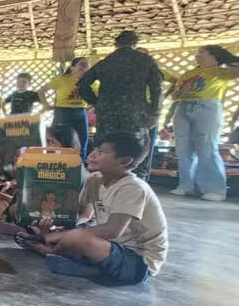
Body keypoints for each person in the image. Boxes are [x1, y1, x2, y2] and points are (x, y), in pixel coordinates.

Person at [15, 131, 167, 286]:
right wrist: (48, 223)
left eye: (101, 152)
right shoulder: (94, 180)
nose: (92, 155)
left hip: (138, 262)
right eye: (95, 149)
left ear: (124, 161)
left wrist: (57, 238)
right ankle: (82, 264)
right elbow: (70, 213)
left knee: (79, 237)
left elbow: (113, 230)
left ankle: (53, 253)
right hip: (110, 248)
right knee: (64, 232)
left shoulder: (133, 188)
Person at [76, 31, 162, 177]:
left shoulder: (106, 62)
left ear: (116, 44)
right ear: (134, 43)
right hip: (135, 111)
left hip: (107, 112)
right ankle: (134, 178)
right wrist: (155, 112)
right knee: (136, 145)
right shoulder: (145, 61)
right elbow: (156, 88)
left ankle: (102, 178)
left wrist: (96, 102)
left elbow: (82, 84)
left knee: (105, 144)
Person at [167, 45, 239, 200]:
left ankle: (214, 189)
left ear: (213, 56)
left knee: (207, 147)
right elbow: (175, 95)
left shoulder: (220, 72)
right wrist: (179, 93)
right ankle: (185, 185)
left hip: (207, 107)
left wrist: (230, 59)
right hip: (183, 107)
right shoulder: (189, 73)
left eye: (202, 52)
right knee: (183, 149)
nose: (197, 55)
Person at [38, 57, 91, 160]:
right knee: (61, 139)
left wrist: (89, 108)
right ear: (72, 68)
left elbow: (98, 97)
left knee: (83, 139)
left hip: (81, 112)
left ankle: (79, 164)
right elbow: (41, 91)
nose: (84, 67)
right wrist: (46, 105)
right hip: (63, 112)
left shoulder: (90, 81)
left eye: (87, 65)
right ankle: (58, 161)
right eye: (81, 64)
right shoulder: (62, 80)